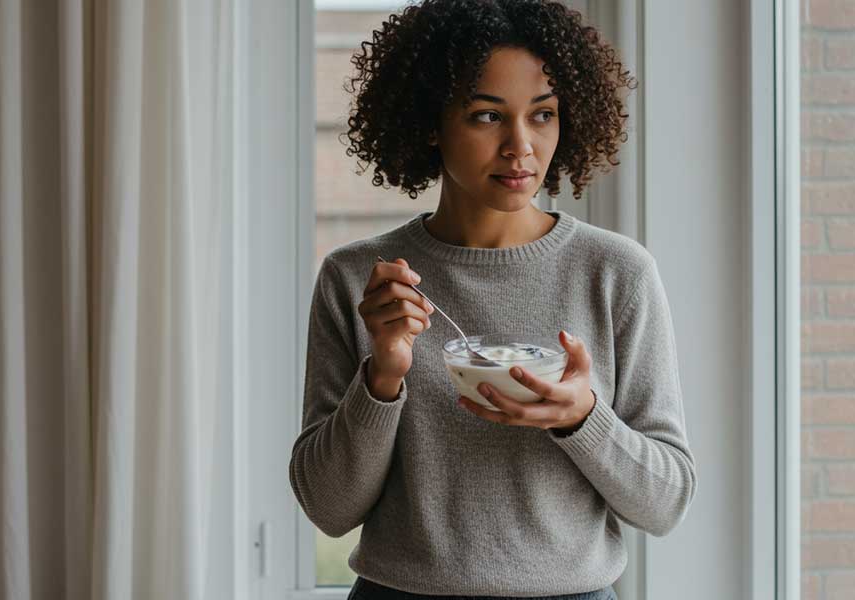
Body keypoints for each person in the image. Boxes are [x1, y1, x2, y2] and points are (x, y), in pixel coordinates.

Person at [288, 1, 696, 598]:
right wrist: (383, 375)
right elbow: (328, 507)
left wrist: (582, 417)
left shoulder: (616, 273)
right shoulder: (359, 281)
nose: (521, 147)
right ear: (431, 121)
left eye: (543, 115)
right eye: (486, 116)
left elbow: (667, 502)